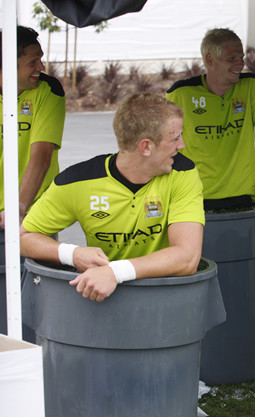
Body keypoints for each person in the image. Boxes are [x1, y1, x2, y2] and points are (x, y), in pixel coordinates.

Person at [20, 93, 205, 303]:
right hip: (100, 302)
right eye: (175, 138)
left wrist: (115, 272)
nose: (182, 145)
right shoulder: (76, 181)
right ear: (146, 146)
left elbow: (187, 257)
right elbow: (23, 238)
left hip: (164, 298)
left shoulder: (183, 172)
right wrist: (73, 254)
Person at [166, 28, 255, 215]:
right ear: (210, 60)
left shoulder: (252, 86)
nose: (240, 64)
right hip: (192, 198)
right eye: (231, 59)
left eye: (241, 57)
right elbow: (162, 146)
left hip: (245, 198)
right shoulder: (181, 93)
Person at [0, 26, 65, 228]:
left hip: (33, 209)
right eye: (33, 62)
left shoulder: (49, 89)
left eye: (41, 58)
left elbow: (41, 156)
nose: (41, 66)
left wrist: (19, 207)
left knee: (31, 261)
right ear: (8, 64)